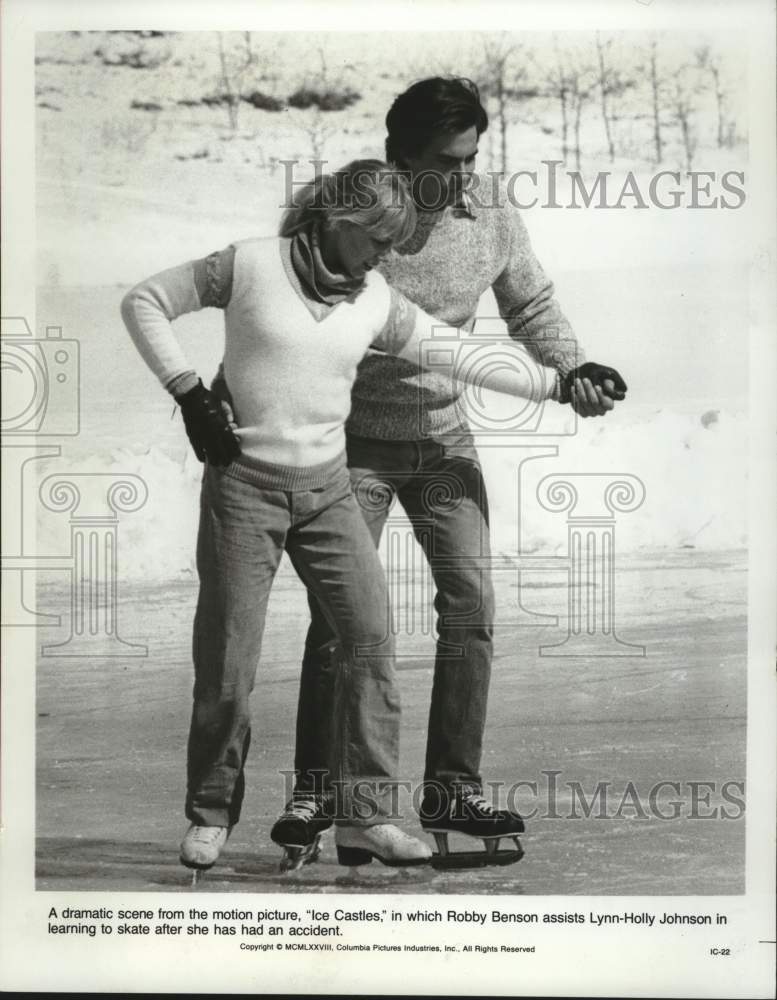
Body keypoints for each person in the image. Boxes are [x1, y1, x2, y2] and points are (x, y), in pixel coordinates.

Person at [120, 159, 570, 874]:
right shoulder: (248, 267)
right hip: (244, 490)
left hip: (329, 489)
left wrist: (559, 382)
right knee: (229, 662)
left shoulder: (373, 301)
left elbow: (455, 353)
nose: (386, 257)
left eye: (394, 244)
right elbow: (144, 300)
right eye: (378, 241)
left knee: (368, 644)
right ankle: (210, 813)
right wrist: (190, 394)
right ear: (338, 222)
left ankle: (366, 820)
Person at [275, 79, 627, 865]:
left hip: (442, 437)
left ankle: (450, 787)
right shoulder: (360, 208)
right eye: (443, 162)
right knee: (344, 620)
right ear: (399, 153)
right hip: (351, 442)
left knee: (470, 606)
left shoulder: (489, 210)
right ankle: (319, 788)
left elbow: (529, 303)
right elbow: (284, 305)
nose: (460, 177)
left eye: (470, 159)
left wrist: (572, 367)